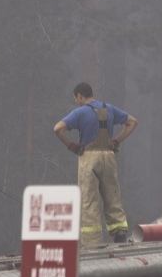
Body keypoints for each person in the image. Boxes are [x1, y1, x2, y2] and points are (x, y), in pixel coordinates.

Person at [54, 82, 137, 246]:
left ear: (79, 96)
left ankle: (92, 243)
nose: (76, 102)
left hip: (89, 157)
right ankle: (120, 236)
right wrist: (116, 141)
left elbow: (58, 128)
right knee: (112, 196)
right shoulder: (110, 109)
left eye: (75, 99)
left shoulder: (80, 112)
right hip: (109, 155)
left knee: (89, 200)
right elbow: (133, 122)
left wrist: (70, 145)